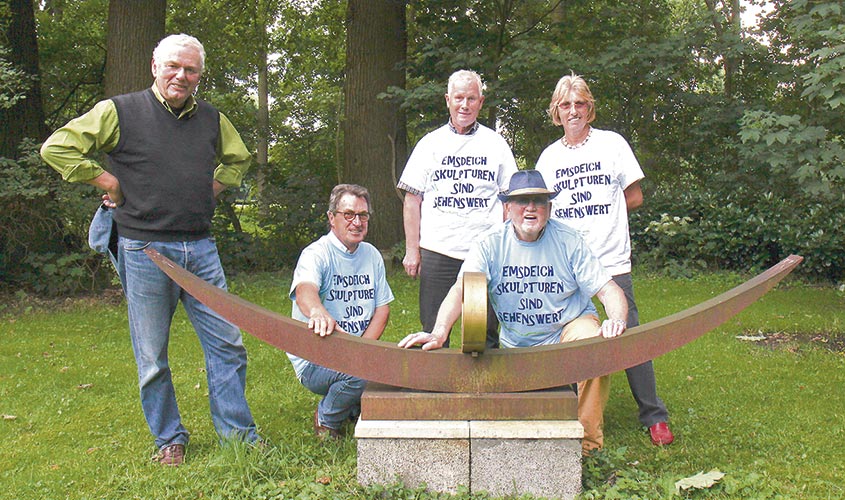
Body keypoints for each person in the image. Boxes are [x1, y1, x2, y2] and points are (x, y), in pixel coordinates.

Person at [40, 34, 260, 466]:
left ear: (200, 76)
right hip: (144, 249)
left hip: (200, 247)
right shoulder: (119, 112)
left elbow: (239, 160)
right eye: (173, 66)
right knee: (153, 355)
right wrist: (108, 182)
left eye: (191, 69)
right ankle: (169, 439)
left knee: (227, 346)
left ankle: (238, 436)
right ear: (155, 66)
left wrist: (209, 190)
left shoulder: (213, 119)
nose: (182, 75)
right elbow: (58, 148)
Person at [398, 170, 629, 455]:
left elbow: (609, 290)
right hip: (516, 344)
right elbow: (462, 290)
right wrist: (439, 331)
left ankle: (588, 446)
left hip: (567, 327)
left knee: (591, 344)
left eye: (538, 201)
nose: (530, 207)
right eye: (522, 201)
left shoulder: (569, 240)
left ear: (549, 208)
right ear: (507, 208)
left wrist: (615, 320)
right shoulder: (489, 243)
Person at [534, 72, 675, 446]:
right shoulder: (549, 156)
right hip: (567, 264)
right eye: (566, 105)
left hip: (611, 260)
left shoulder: (612, 145)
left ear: (590, 108)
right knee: (565, 330)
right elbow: (542, 210)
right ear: (556, 111)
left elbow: (634, 195)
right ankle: (566, 406)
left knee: (628, 334)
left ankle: (654, 415)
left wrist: (603, 216)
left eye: (580, 104)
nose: (573, 111)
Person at [397, 69, 518, 349]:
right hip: (438, 250)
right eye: (459, 98)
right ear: (447, 100)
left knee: (482, 331)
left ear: (481, 102)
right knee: (434, 328)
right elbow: (412, 200)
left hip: (483, 252)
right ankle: (436, 389)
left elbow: (509, 201)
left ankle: (482, 390)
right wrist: (412, 250)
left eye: (471, 98)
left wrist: (504, 244)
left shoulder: (496, 144)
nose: (465, 105)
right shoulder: (430, 144)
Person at [288, 184, 394, 439]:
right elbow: (304, 290)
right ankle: (327, 419)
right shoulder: (316, 254)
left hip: (354, 351)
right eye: (349, 214)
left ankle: (353, 404)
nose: (357, 222)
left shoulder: (371, 255)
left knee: (397, 366)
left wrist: (362, 350)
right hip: (317, 357)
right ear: (331, 218)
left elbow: (382, 308)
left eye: (363, 215)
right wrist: (317, 312)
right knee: (360, 374)